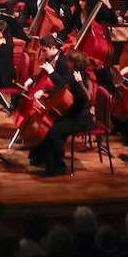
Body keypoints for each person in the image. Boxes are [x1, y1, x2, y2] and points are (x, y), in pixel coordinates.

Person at [26, 46, 93, 177]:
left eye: (70, 61)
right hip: (71, 114)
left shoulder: (85, 78)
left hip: (81, 118)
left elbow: (89, 96)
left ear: (75, 64)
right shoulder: (72, 76)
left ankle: (58, 168)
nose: (67, 63)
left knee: (55, 132)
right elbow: (61, 87)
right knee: (49, 126)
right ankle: (43, 159)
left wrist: (80, 82)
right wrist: (45, 91)